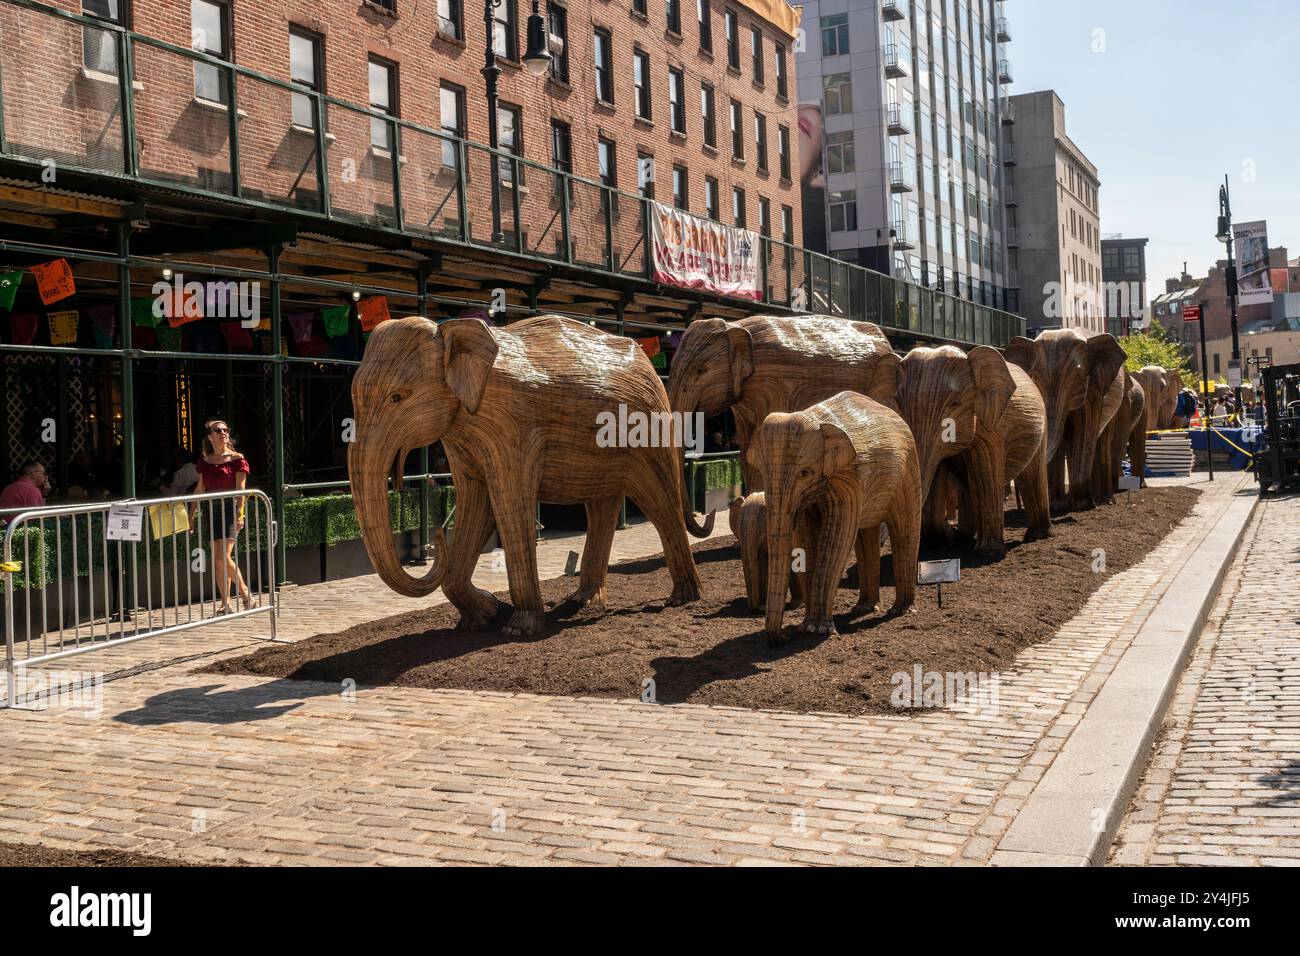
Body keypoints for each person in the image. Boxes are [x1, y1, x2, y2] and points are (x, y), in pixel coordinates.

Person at [189, 420, 254, 614]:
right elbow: (200, 489)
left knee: (222, 557)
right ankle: (226, 604)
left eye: (226, 430)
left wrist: (240, 513)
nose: (223, 433)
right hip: (210, 510)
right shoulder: (205, 461)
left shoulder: (237, 459)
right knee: (218, 560)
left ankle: (245, 593)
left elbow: (241, 490)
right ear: (210, 436)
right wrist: (191, 514)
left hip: (229, 509)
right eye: (218, 430)